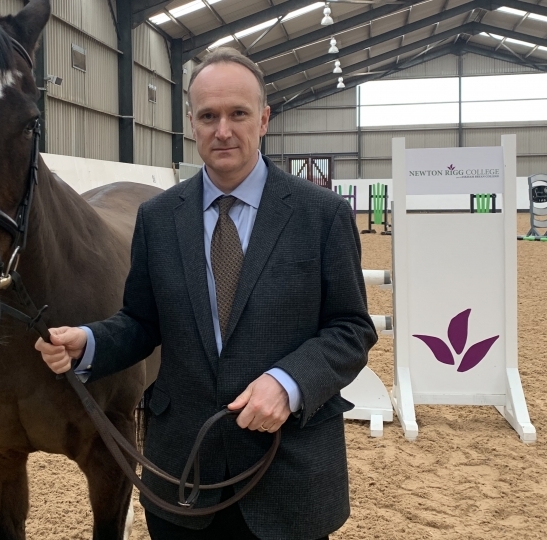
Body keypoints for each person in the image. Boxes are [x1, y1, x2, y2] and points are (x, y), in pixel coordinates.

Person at [35, 46, 377, 540]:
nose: (223, 130)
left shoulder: (321, 215)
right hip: (183, 477)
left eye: (238, 114)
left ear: (263, 119)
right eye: (209, 116)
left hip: (288, 477)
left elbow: (351, 329)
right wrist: (90, 342)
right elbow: (142, 322)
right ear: (191, 124)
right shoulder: (159, 218)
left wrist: (289, 382)